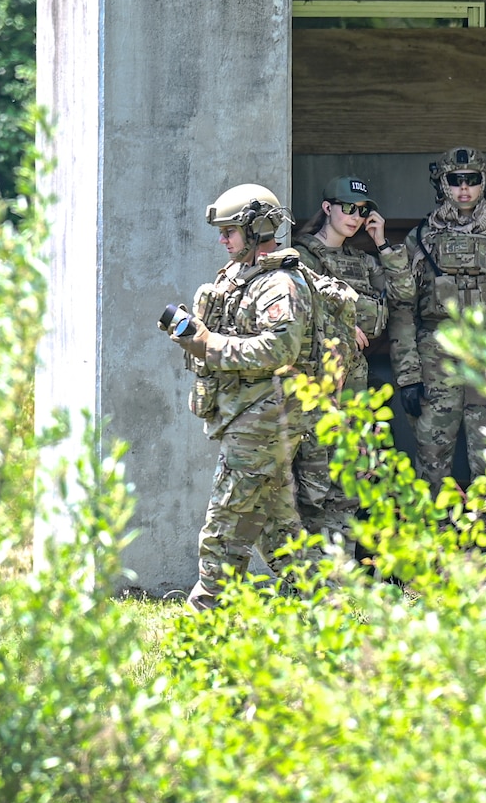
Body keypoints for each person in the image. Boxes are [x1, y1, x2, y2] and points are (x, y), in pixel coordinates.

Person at [162, 183, 316, 611]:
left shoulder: (279, 283)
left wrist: (209, 344)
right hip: (246, 412)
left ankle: (206, 608)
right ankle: (320, 600)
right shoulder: (237, 276)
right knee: (275, 521)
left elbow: (280, 349)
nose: (222, 239)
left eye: (230, 231)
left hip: (266, 415)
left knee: (227, 517)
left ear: (258, 229)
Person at [290, 175, 416, 540]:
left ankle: (342, 576)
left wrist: (382, 244)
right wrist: (344, 327)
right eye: (348, 208)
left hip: (355, 381)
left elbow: (403, 295)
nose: (356, 216)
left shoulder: (359, 260)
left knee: (350, 477)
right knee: (315, 480)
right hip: (320, 382)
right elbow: (300, 312)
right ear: (328, 208)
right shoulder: (302, 256)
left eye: (363, 210)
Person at [400, 148, 486, 486]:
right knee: (432, 459)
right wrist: (408, 374)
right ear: (443, 184)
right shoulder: (422, 237)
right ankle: (433, 535)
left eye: (472, 180)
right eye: (455, 180)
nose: (464, 188)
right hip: (435, 358)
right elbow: (403, 307)